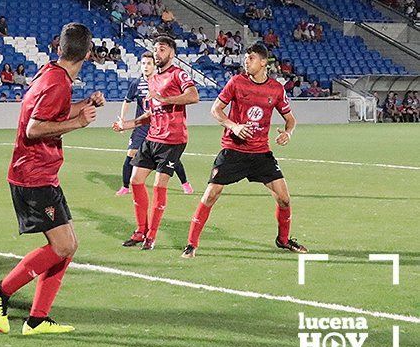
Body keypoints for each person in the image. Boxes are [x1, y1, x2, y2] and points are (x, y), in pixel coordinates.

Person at [0, 22, 104, 336]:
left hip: (40, 173)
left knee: (68, 246)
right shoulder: (58, 83)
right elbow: (34, 128)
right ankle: (1, 290)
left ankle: (37, 319)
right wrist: (78, 121)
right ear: (88, 54)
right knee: (63, 245)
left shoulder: (50, 73)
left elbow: (52, 113)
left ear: (58, 48)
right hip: (33, 175)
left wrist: (84, 105)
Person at [181, 42, 306, 258]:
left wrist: (288, 133)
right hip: (233, 150)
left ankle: (283, 240)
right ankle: (192, 244)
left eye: (251, 59)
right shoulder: (236, 82)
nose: (246, 62)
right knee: (211, 194)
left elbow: (290, 119)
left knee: (284, 199)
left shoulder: (275, 89)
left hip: (260, 154)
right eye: (246, 58)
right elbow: (215, 109)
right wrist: (234, 126)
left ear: (263, 62)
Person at [113, 35, 199, 250]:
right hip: (152, 136)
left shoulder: (179, 74)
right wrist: (129, 124)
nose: (157, 53)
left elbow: (193, 96)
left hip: (173, 139)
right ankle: (140, 231)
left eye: (161, 49)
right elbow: (152, 113)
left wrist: (167, 99)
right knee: (135, 180)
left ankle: (151, 236)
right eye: (155, 49)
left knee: (159, 186)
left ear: (171, 52)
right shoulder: (152, 80)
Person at [115, 52, 193, 197]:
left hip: (159, 125)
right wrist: (123, 121)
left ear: (154, 65)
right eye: (143, 63)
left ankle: (185, 183)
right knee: (131, 154)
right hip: (141, 126)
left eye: (149, 63)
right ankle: (125, 186)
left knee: (172, 159)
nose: (145, 66)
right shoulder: (136, 84)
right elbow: (127, 101)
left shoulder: (161, 82)